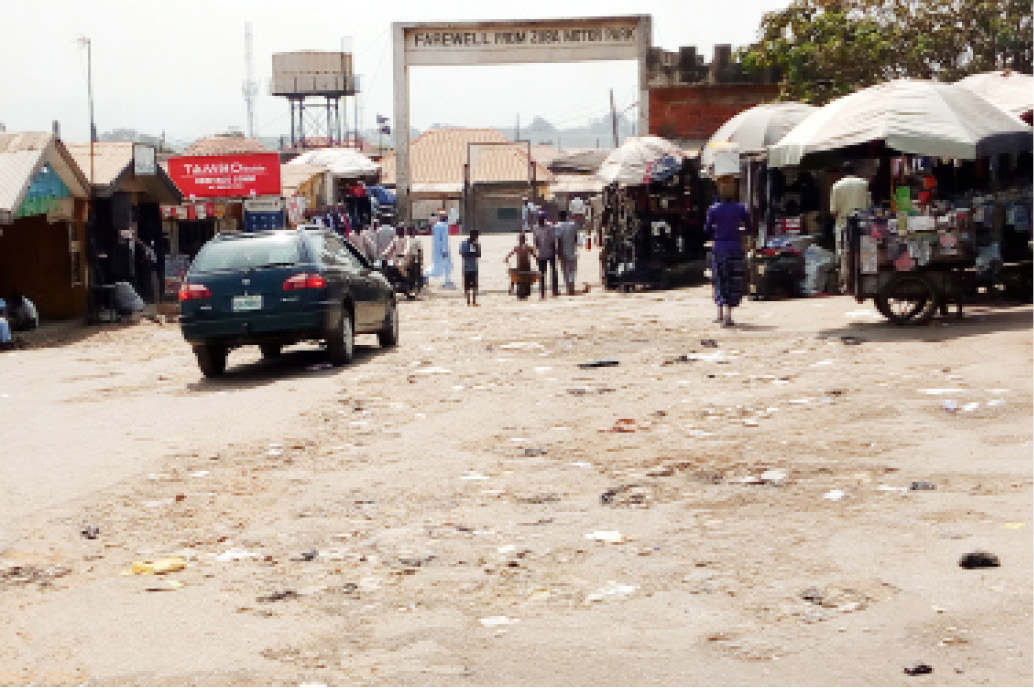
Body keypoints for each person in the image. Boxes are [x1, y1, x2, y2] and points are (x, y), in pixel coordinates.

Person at [704, 177, 752, 327]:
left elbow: (707, 229)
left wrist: (717, 229)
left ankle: (719, 313)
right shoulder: (740, 208)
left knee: (719, 280)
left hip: (719, 248)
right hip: (736, 248)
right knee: (733, 281)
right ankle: (728, 316)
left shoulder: (714, 209)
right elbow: (749, 227)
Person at [829, 162, 872, 291]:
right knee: (862, 252)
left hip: (842, 225)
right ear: (855, 170)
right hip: (862, 225)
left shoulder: (836, 186)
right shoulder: (864, 184)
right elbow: (869, 205)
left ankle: (846, 283)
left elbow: (833, 211)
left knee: (843, 254)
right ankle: (862, 281)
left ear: (842, 172)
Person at [425, 211, 455, 288]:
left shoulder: (436, 226)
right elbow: (444, 239)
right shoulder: (444, 226)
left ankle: (447, 280)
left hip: (436, 250)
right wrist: (444, 250)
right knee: (441, 267)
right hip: (443, 250)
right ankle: (425, 275)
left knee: (441, 265)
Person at [504, 231, 538, 300]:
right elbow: (509, 256)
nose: (521, 241)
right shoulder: (524, 248)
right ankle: (511, 289)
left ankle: (512, 289)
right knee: (513, 275)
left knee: (514, 275)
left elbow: (535, 256)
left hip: (524, 267)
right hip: (522, 267)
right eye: (521, 239)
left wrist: (507, 259)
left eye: (522, 239)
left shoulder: (524, 248)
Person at [532, 213, 559, 298]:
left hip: (550, 253)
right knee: (542, 274)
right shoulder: (535, 228)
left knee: (553, 272)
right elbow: (536, 241)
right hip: (542, 254)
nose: (540, 220)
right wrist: (536, 253)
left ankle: (554, 290)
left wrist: (554, 252)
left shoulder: (550, 227)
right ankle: (542, 292)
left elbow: (553, 241)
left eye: (542, 219)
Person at [554, 210, 579, 295]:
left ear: (560, 217)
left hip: (563, 251)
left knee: (565, 270)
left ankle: (568, 287)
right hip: (572, 251)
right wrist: (574, 247)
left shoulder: (558, 226)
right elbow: (576, 238)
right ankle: (572, 285)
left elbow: (559, 239)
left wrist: (559, 252)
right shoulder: (572, 225)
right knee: (572, 270)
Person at [458, 228, 482, 306]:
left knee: (474, 286)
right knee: (467, 286)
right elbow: (462, 254)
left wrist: (476, 248)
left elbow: (479, 255)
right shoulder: (464, 243)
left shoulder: (477, 244)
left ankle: (474, 301)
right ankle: (468, 301)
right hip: (467, 267)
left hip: (474, 267)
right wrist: (471, 252)